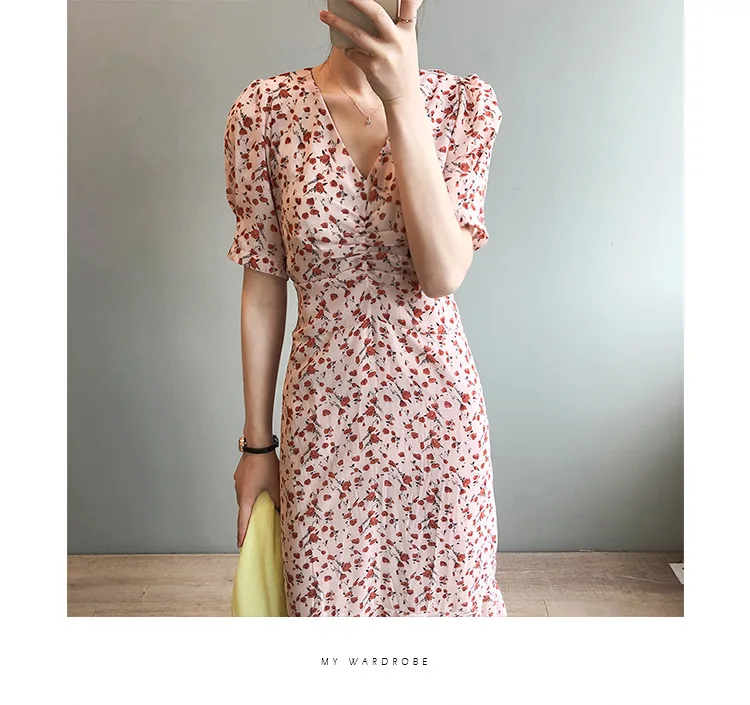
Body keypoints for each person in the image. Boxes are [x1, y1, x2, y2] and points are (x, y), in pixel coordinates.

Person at [224, 0, 506, 616]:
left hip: (437, 427)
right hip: (323, 426)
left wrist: (402, 98)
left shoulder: (463, 106)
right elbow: (263, 289)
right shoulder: (264, 113)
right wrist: (257, 447)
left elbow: (442, 274)